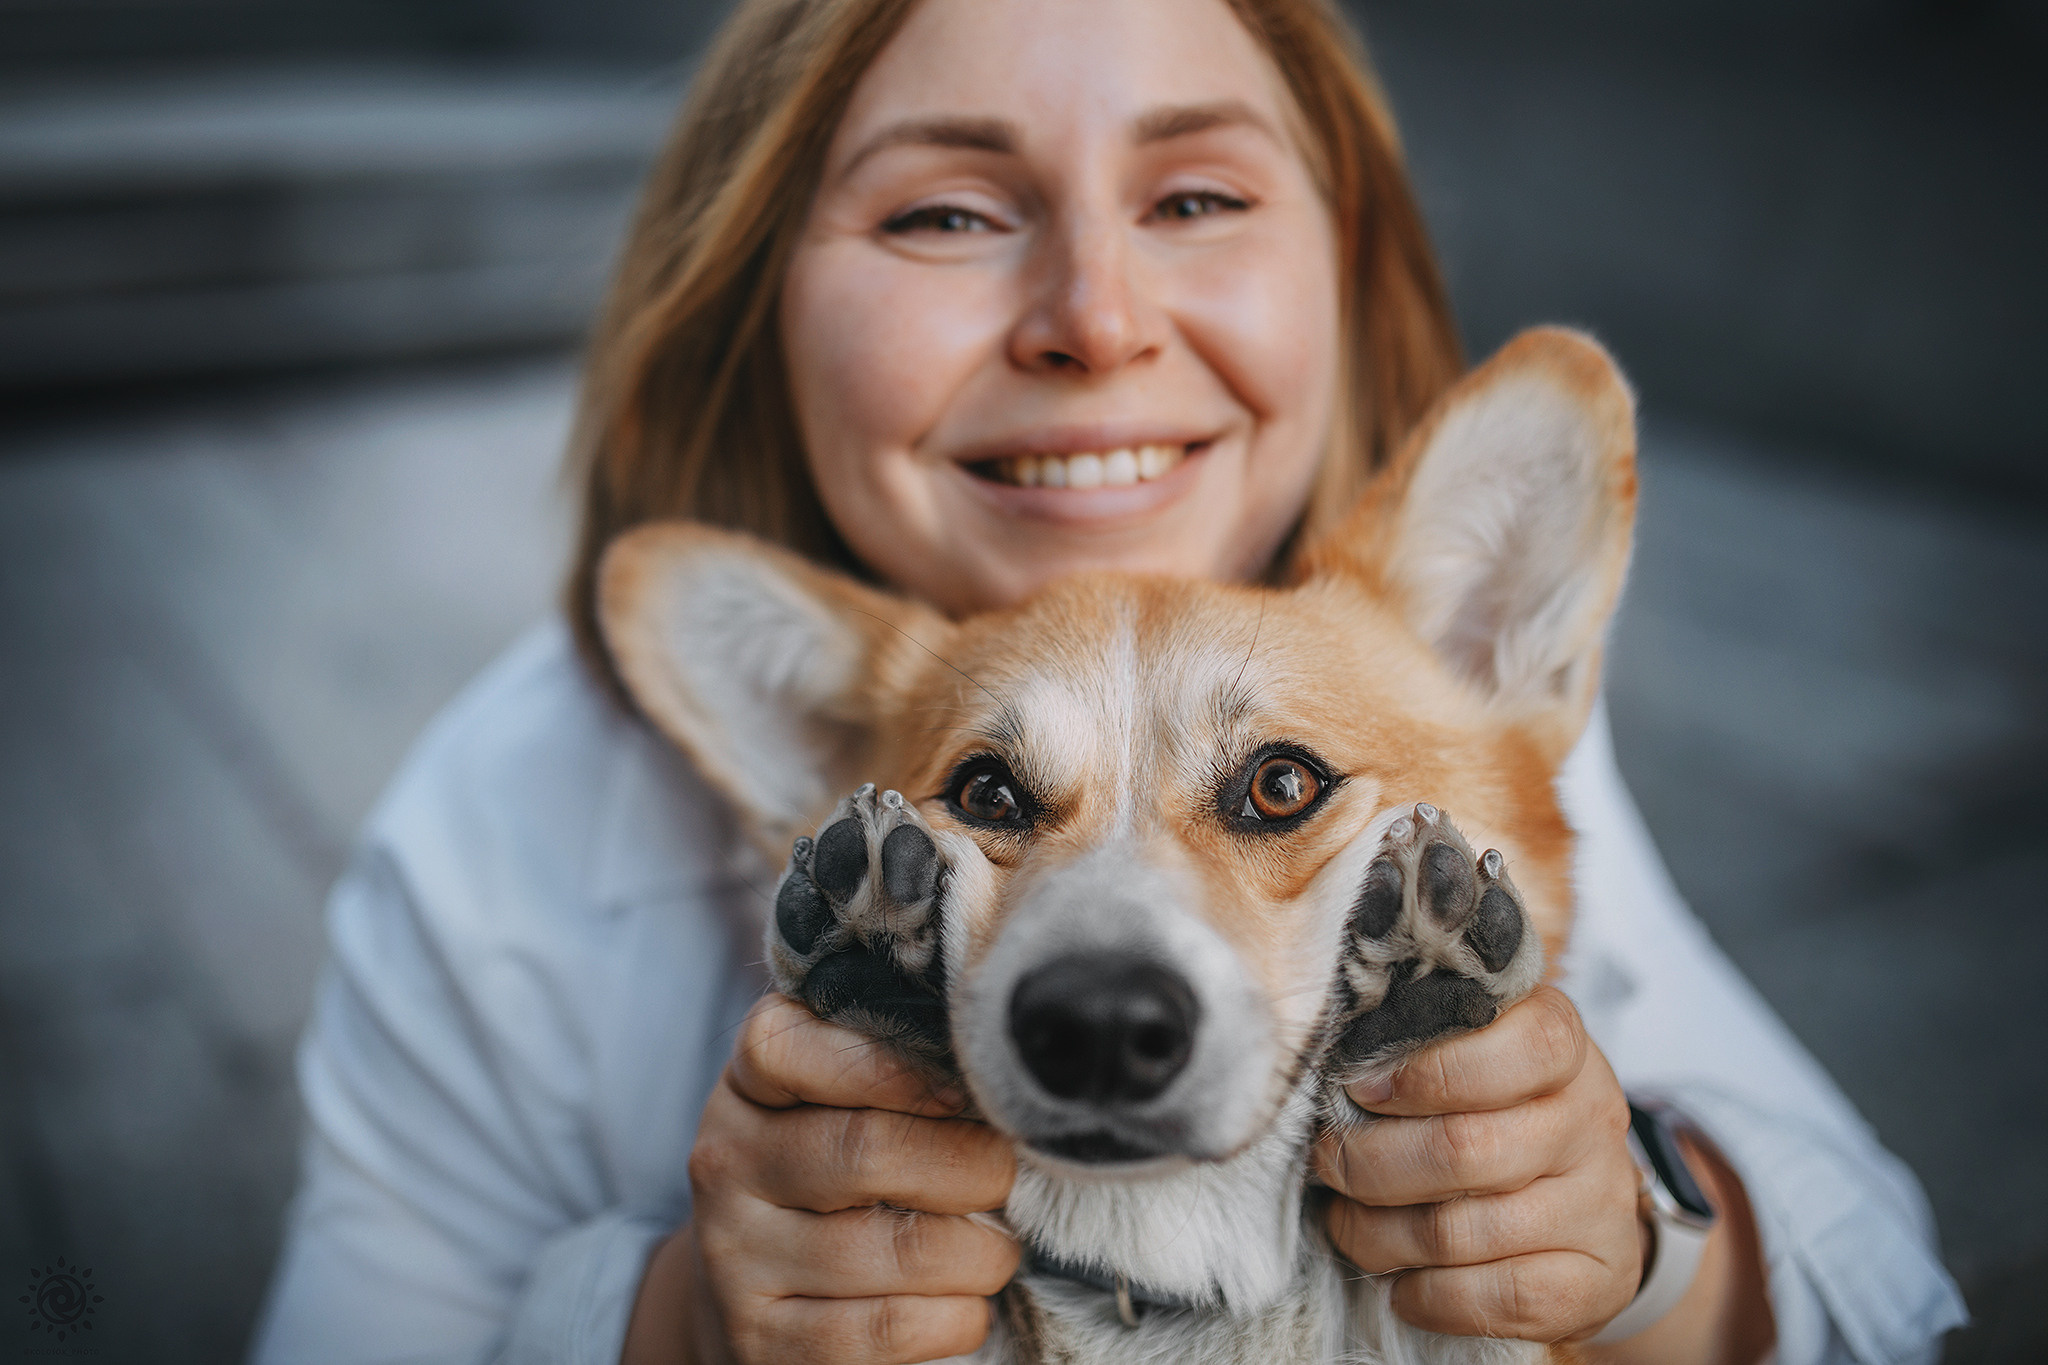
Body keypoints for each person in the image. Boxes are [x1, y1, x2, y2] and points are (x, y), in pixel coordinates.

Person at [249, 1, 1966, 1362]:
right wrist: (679, 1326)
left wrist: (1641, 1238)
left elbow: (1877, 1280)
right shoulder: (504, 818)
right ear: (755, 293)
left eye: (1197, 197)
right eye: (944, 210)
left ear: (1336, 258)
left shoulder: (1422, 728)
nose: (1097, 316)